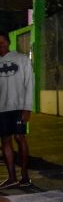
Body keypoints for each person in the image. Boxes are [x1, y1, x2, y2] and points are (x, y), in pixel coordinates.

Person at [0, 32, 33, 189]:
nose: (1, 45)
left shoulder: (22, 59)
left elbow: (30, 83)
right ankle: (12, 177)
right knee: (5, 140)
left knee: (20, 138)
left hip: (19, 107)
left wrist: (27, 108)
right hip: (1, 109)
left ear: (8, 42)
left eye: (3, 42)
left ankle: (25, 176)